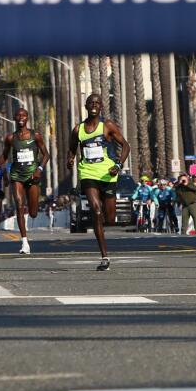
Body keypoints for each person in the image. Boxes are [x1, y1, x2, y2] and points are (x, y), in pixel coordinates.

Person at [67, 92, 130, 271]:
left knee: (109, 219)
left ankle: (104, 217)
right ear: (86, 107)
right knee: (96, 210)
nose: (94, 105)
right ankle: (104, 256)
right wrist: (70, 160)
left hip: (108, 174)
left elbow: (126, 146)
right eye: (90, 102)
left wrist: (118, 165)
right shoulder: (77, 130)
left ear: (101, 107)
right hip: (88, 173)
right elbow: (71, 150)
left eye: (97, 102)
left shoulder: (107, 126)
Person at [2, 108, 48, 256]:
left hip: (32, 175)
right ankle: (24, 242)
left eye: (23, 115)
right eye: (18, 115)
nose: (21, 117)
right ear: (14, 118)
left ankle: (32, 212)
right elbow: (4, 156)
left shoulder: (36, 135)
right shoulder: (10, 138)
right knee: (20, 206)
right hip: (17, 175)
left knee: (33, 212)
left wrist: (39, 168)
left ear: (27, 118)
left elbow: (46, 154)